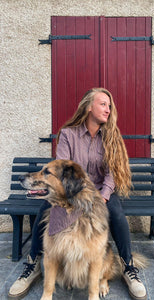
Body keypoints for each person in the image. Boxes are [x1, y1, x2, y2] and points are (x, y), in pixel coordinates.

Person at [8, 88, 147, 300]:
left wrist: (104, 195)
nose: (108, 109)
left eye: (109, 106)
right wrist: (70, 197)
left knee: (117, 214)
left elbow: (112, 173)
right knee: (45, 209)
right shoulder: (68, 134)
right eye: (103, 104)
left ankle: (128, 267)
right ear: (89, 107)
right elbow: (62, 168)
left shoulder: (111, 137)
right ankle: (33, 264)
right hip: (72, 192)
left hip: (100, 192)